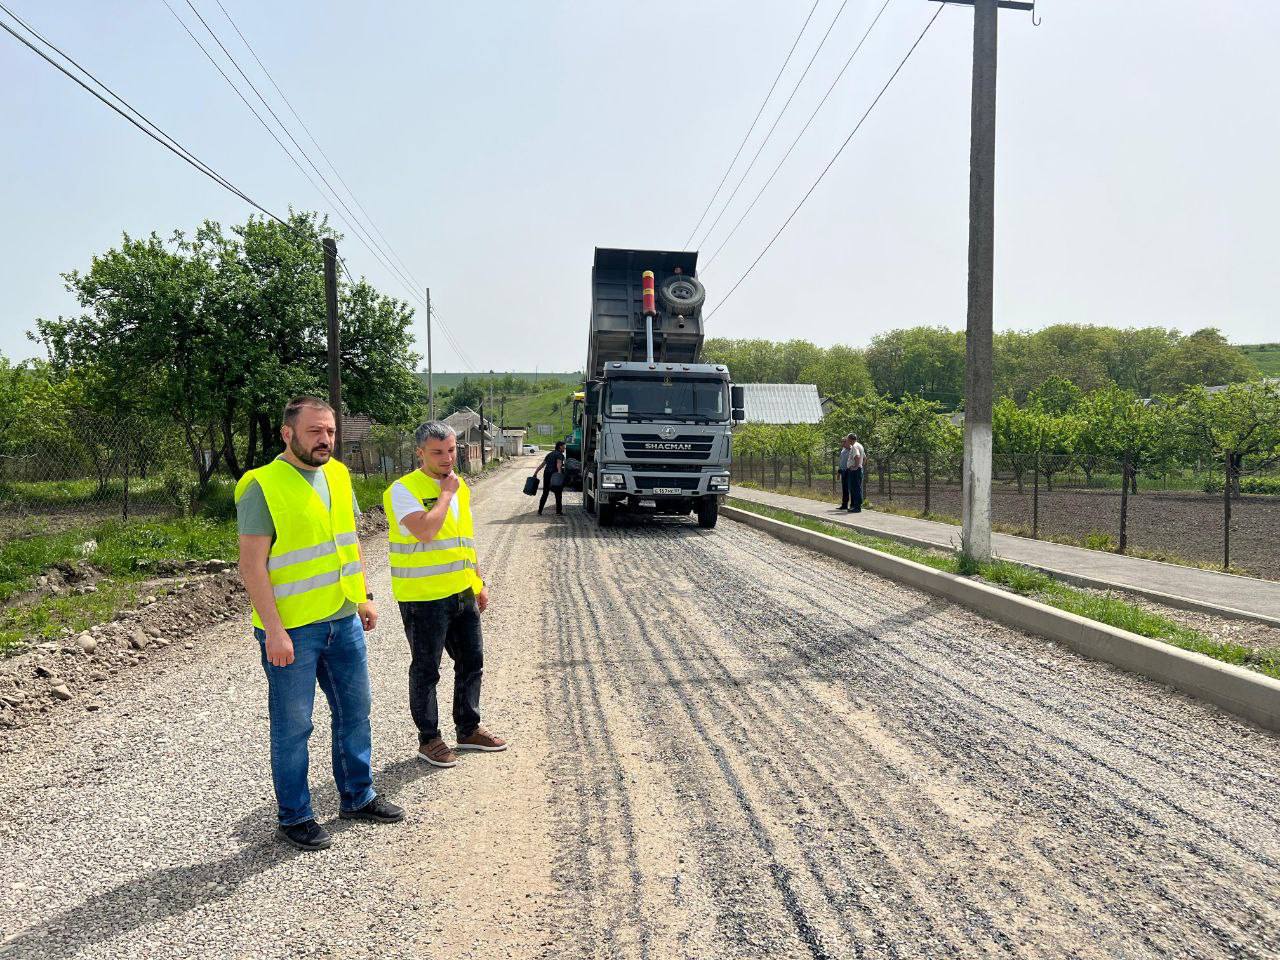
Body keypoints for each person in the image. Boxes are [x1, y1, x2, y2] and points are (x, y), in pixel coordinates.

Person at [236, 396, 404, 853]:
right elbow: (252, 566)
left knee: (356, 713)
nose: (325, 440)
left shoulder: (338, 474)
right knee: (293, 727)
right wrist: (273, 630)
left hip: (342, 619)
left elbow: (347, 542)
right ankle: (295, 816)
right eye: (315, 431)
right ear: (287, 434)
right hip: (291, 630)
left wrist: (364, 597)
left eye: (330, 431)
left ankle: (357, 795)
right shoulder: (261, 485)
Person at [385, 421, 507, 768]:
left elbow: (464, 538)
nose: (447, 458)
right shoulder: (402, 489)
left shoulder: (460, 486)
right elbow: (425, 530)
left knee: (472, 663)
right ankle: (429, 740)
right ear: (420, 452)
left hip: (461, 591)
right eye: (438, 452)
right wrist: (446, 494)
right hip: (423, 597)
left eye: (451, 450)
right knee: (426, 670)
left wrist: (478, 581)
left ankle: (468, 729)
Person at [533, 441, 567, 515]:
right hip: (554, 475)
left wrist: (536, 472)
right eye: (564, 446)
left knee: (545, 493)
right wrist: (559, 474)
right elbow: (559, 464)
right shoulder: (560, 455)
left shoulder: (549, 454)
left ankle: (539, 511)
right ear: (560, 447)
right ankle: (558, 512)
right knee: (558, 493)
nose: (564, 448)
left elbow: (542, 464)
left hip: (546, 474)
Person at [848, 433, 866, 512]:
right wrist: (861, 466)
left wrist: (856, 467)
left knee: (855, 489)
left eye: (848, 439)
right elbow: (865, 458)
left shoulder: (855, 446)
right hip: (859, 470)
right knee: (857, 488)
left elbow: (857, 456)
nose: (847, 441)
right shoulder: (860, 445)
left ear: (850, 439)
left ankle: (857, 507)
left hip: (855, 471)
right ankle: (856, 506)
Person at [837, 436, 852, 510]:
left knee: (850, 488)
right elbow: (841, 461)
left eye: (844, 441)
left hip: (849, 471)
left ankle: (853, 505)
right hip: (843, 471)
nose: (842, 443)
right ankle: (844, 505)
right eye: (841, 441)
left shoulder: (852, 449)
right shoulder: (843, 450)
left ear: (848, 442)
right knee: (844, 489)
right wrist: (838, 472)